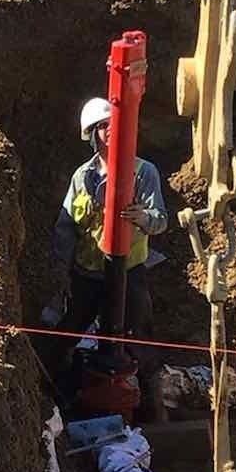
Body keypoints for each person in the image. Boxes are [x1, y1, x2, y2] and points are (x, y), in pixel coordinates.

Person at [50, 96, 169, 349]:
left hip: (128, 272)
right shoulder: (82, 177)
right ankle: (54, 369)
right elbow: (66, 227)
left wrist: (144, 218)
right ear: (93, 134)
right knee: (69, 330)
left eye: (115, 123)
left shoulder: (144, 172)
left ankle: (144, 372)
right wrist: (61, 270)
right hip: (87, 272)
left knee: (137, 335)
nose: (111, 129)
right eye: (103, 125)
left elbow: (160, 220)